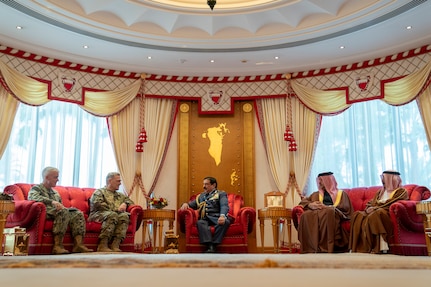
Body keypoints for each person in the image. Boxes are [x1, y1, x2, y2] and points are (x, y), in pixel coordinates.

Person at [28, 167, 92, 254]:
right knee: (63, 212)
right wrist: (51, 202)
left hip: (57, 212)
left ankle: (78, 245)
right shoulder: (36, 188)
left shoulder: (55, 192)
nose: (58, 180)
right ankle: (57, 246)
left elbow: (60, 205)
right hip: (45, 212)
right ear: (47, 177)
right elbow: (32, 197)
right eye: (55, 177)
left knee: (77, 213)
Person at [349, 170, 408, 254]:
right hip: (376, 211)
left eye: (384, 178)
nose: (382, 180)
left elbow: (393, 204)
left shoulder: (401, 192)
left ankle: (380, 247)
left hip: (387, 214)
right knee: (357, 215)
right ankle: (361, 247)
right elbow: (372, 202)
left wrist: (375, 208)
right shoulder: (381, 192)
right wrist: (369, 208)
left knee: (376, 213)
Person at [297, 172, 353, 253]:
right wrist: (310, 204)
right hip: (318, 213)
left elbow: (346, 208)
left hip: (332, 213)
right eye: (318, 180)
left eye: (321, 180)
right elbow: (303, 203)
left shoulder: (341, 194)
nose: (319, 183)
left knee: (329, 211)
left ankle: (327, 247)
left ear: (329, 180)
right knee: (305, 215)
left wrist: (328, 207)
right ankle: (310, 247)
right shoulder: (316, 194)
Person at [180, 176, 230, 253]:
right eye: (203, 184)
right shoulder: (201, 196)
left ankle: (214, 244)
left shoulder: (221, 194)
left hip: (217, 217)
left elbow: (224, 205)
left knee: (225, 222)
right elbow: (192, 205)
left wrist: (222, 216)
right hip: (205, 218)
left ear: (213, 185)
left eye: (206, 184)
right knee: (200, 222)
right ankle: (210, 245)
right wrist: (185, 204)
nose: (204, 186)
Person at [88, 172, 134, 252]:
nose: (120, 183)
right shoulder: (99, 192)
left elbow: (130, 201)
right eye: (118, 181)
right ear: (110, 181)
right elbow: (100, 205)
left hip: (112, 214)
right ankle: (102, 245)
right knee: (112, 215)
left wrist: (124, 203)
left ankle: (115, 245)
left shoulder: (120, 195)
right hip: (98, 215)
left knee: (124, 216)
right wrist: (117, 209)